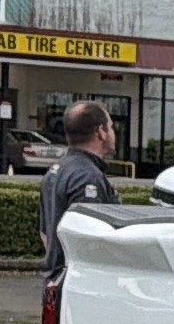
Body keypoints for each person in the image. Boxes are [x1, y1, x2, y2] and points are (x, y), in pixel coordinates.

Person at [38, 100, 119, 279]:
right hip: (80, 284)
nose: (113, 132)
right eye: (111, 127)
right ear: (101, 132)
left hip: (56, 281)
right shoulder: (87, 177)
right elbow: (90, 240)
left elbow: (45, 234)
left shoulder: (55, 171)